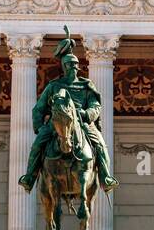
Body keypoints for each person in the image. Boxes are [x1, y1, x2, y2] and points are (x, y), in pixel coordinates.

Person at [19, 28, 117, 193]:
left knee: (100, 144)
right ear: (64, 67)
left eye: (75, 65)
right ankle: (29, 176)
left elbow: (96, 106)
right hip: (57, 124)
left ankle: (106, 177)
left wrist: (87, 114)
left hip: (82, 122)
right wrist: (40, 127)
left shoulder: (86, 86)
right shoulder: (54, 86)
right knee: (37, 145)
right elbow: (39, 109)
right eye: (70, 65)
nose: (73, 68)